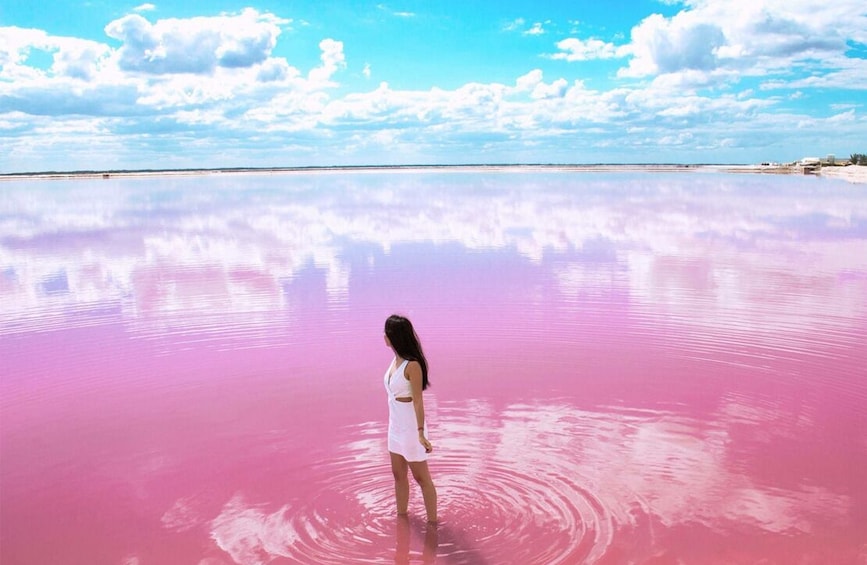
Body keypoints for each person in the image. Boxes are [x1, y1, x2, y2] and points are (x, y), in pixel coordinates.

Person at [383, 314, 438, 524]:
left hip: (411, 429)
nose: (383, 336)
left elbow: (417, 401)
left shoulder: (412, 365)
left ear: (394, 336)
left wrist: (421, 433)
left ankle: (433, 524)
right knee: (398, 475)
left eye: (386, 332)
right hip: (395, 428)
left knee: (422, 478)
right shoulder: (395, 360)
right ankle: (402, 519)